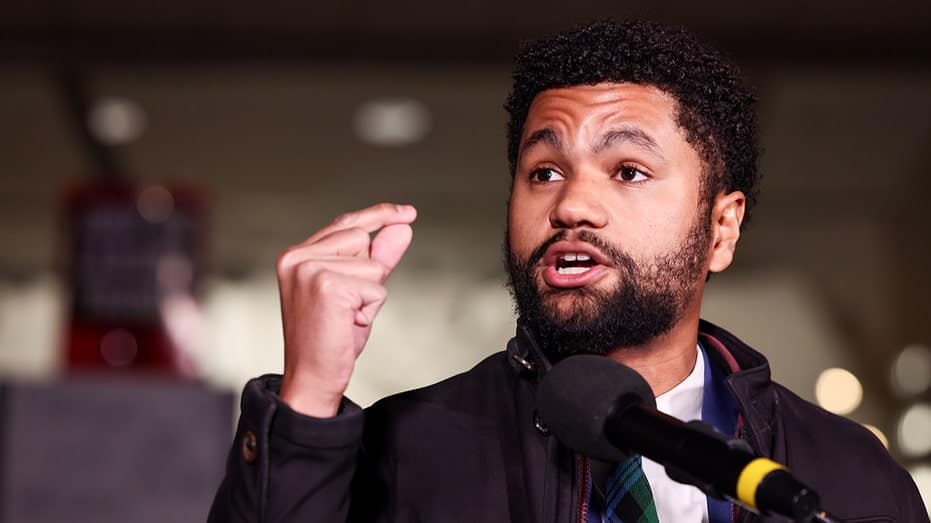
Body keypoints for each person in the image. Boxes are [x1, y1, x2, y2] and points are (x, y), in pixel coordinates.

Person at [208, 20, 928, 523]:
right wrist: (307, 400)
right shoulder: (403, 450)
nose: (571, 204)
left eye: (628, 170)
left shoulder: (848, 477)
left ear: (721, 227)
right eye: (544, 171)